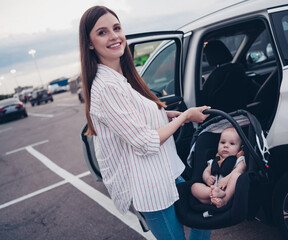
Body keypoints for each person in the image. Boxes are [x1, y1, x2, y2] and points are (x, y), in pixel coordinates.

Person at [79, 6, 211, 240]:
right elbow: (145, 141)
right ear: (89, 43)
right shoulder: (106, 87)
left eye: (116, 28)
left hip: (167, 171)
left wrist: (168, 115)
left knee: (205, 217)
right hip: (150, 186)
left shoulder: (122, 79)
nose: (114, 36)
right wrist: (185, 117)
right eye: (102, 32)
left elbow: (138, 119)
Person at [191, 127, 246, 208]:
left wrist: (226, 179)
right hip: (213, 191)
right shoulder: (214, 161)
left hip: (228, 192)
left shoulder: (239, 160)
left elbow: (241, 169)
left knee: (237, 175)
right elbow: (206, 171)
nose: (226, 146)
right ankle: (211, 194)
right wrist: (207, 178)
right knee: (194, 187)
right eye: (222, 142)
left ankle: (225, 200)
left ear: (240, 148)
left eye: (232, 144)